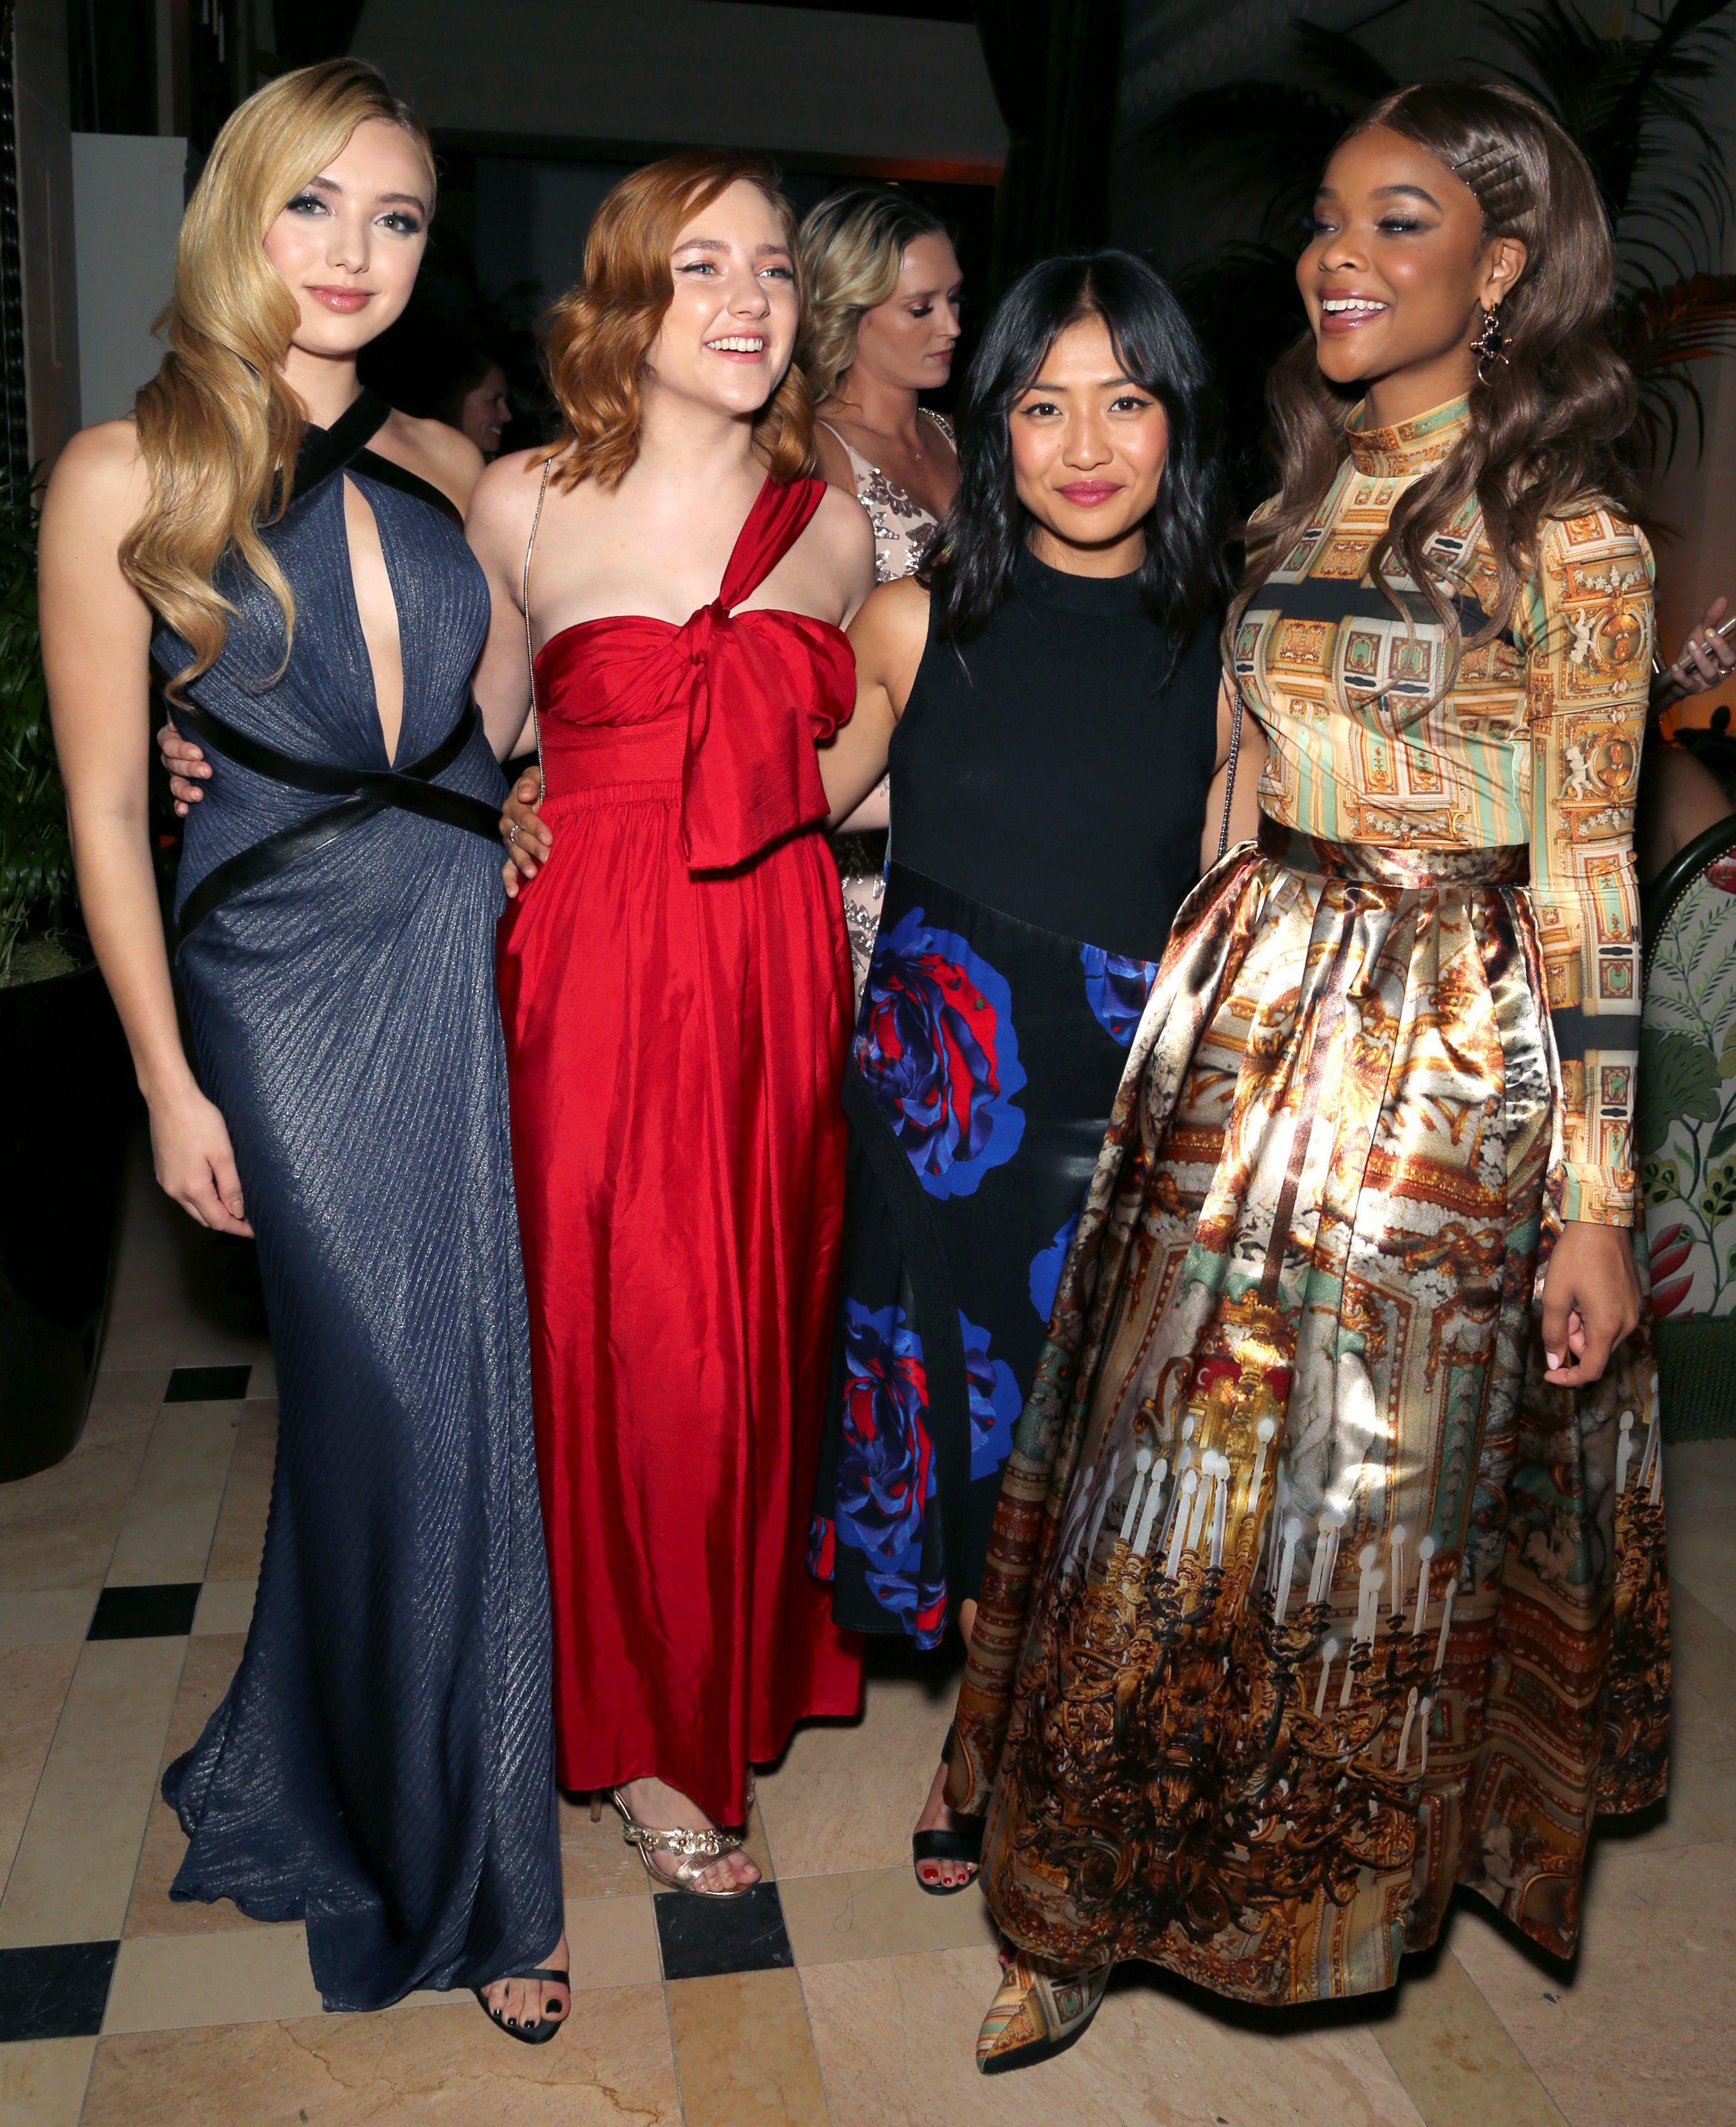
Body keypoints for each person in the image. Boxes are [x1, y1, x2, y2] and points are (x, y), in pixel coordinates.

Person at [950, 81, 1671, 2072]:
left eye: (1395, 222)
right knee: (1160, 1465)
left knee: (1367, 1506)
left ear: (1501, 269)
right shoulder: (1300, 488)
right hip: (1247, 1017)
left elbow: (1592, 878)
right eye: (1327, 220)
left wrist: (1595, 1200)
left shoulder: (1575, 541)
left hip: (1443, 1055)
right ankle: (1074, 1887)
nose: (1334, 258)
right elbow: (1244, 769)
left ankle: (1314, 1878)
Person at [39, 61, 568, 2036]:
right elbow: (109, 807)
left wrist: (521, 795)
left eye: (398, 217)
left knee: (450, 1393)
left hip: (451, 944)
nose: (354, 252)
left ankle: (359, 1757)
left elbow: (487, 722)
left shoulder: (439, 459)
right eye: (313, 205)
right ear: (235, 216)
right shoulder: (123, 468)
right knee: (404, 1399)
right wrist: (167, 1081)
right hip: (274, 973)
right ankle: (458, 1869)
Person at [804, 253, 1245, 1894]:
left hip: (1130, 1114)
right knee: (981, 1455)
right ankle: (985, 1742)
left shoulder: (1226, 647)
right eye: (1043, 406)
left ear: (1173, 423)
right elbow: (771, 795)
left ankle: (1012, 1742)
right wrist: (529, 779)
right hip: (938, 1124)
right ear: (993, 428)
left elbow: (1246, 893)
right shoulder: (912, 620)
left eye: (1123, 402)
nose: (1084, 444)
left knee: (1104, 1469)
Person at [479, 154, 873, 1894]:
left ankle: (722, 1674)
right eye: (698, 265)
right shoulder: (520, 502)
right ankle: (634, 1725)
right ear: (626, 301)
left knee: (751, 1333)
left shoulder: (834, 529)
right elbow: (459, 740)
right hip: (587, 960)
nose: (743, 300)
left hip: (772, 959)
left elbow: (857, 770)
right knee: (615, 1334)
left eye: (771, 268)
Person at [799, 187, 964, 996]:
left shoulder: (957, 439)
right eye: (921, 307)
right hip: (868, 834)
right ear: (850, 315)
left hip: (971, 819)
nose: (951, 326)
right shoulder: (812, 450)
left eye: (956, 299)